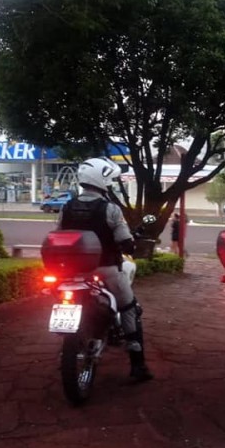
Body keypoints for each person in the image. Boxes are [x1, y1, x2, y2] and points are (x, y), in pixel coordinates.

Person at [57, 157, 154, 382]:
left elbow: (59, 234)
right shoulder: (110, 209)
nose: (110, 184)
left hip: (72, 273)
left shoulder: (67, 207)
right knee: (130, 308)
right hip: (106, 270)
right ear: (101, 180)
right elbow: (125, 241)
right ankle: (138, 366)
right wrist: (131, 243)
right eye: (109, 180)